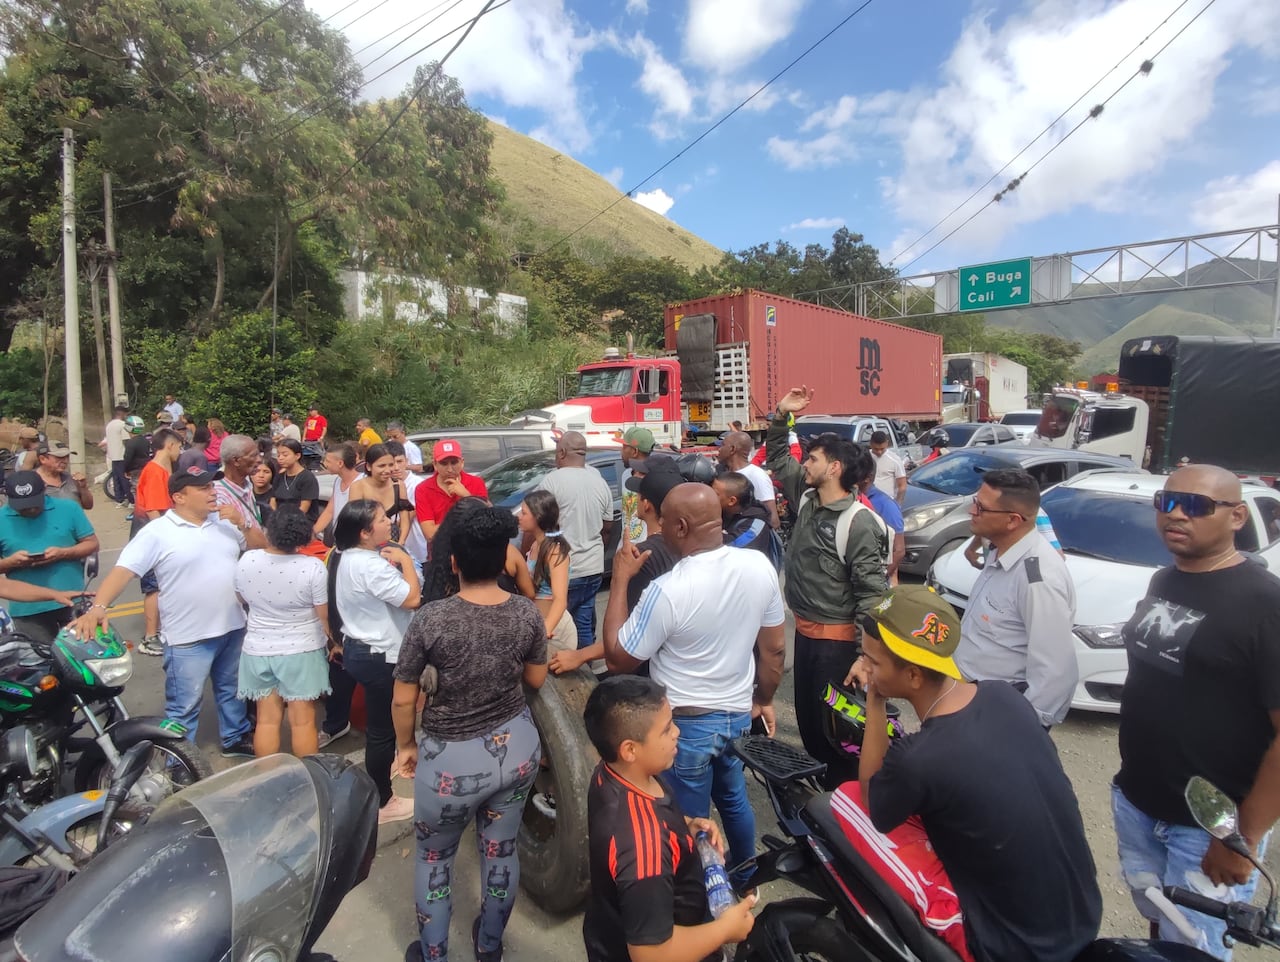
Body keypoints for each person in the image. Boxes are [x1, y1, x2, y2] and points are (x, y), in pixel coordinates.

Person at [843, 585, 1102, 962]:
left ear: (913, 675)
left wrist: (875, 698)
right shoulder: (1005, 696)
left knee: (845, 800)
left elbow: (872, 800)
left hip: (1013, 946)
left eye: (872, 662)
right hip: (1080, 915)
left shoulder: (918, 758)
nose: (865, 667)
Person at [1112, 465, 1280, 959]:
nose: (1177, 514)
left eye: (1197, 506)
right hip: (1138, 801)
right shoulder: (1165, 579)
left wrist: (1242, 837)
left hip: (1209, 826)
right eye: (1167, 502)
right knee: (1160, 925)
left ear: (1236, 517)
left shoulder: (1265, 604)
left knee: (1194, 949)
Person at [603, 482, 786, 876]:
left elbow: (617, 658)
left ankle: (702, 894)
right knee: (734, 799)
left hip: (685, 727)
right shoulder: (760, 568)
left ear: (681, 527)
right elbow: (774, 650)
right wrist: (764, 698)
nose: (658, 528)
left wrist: (620, 579)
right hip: (737, 714)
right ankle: (746, 876)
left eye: (664, 522)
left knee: (689, 817)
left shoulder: (668, 589)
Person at [392, 505, 548, 962]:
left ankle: (434, 953)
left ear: (454, 562)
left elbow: (403, 699)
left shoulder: (432, 619)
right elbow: (536, 679)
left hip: (450, 765)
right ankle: (490, 946)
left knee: (434, 859)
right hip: (516, 751)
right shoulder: (526, 613)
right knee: (501, 852)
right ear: (503, 562)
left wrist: (406, 745)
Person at [72, 467, 265, 757]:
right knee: (184, 704)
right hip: (188, 637)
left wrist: (243, 523)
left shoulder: (224, 522)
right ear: (179, 497)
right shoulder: (157, 532)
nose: (212, 492)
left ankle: (234, 739)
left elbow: (261, 547)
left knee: (233, 691)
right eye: (203, 488)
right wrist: (98, 607)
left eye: (212, 486)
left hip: (233, 627)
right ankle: (180, 759)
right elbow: (124, 570)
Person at [582, 676, 757, 962]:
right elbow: (651, 954)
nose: (677, 732)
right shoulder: (643, 847)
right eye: (666, 730)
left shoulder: (613, 772)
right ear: (630, 750)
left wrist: (685, 825)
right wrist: (725, 930)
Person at [767, 387, 888, 786]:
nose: (805, 464)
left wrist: (865, 657)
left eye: (813, 459)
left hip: (836, 648)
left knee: (838, 734)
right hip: (806, 637)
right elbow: (778, 457)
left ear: (834, 468)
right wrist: (781, 415)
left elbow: (872, 596)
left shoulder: (858, 522)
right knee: (811, 727)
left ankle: (845, 803)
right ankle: (825, 797)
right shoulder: (807, 499)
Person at [924, 468, 1076, 729]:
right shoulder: (1000, 549)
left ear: (1013, 521)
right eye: (975, 502)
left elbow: (1056, 672)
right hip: (967, 692)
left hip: (996, 710)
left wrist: (1020, 727)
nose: (972, 511)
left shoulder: (1038, 579)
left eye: (981, 508)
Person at [327, 499, 420, 823]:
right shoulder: (371, 565)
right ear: (365, 532)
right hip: (378, 653)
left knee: (383, 726)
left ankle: (389, 764)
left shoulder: (346, 556)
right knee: (381, 730)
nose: (389, 523)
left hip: (360, 647)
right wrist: (405, 561)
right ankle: (383, 801)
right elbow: (412, 599)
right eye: (381, 519)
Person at [558, 462, 683, 675]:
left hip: (645, 671)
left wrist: (580, 655)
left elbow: (627, 633)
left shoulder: (639, 557)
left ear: (646, 505)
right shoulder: (684, 547)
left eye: (639, 495)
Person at [235, 505, 330, 757]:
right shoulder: (312, 567)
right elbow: (323, 614)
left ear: (270, 530)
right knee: (303, 721)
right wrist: (335, 641)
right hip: (302, 651)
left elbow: (240, 597)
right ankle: (308, 774)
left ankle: (268, 774)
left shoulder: (248, 560)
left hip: (257, 650)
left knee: (266, 720)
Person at [535, 432, 613, 651]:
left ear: (561, 452)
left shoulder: (552, 481)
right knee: (584, 623)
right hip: (593, 569)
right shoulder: (600, 482)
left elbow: (537, 523)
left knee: (559, 627)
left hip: (565, 571)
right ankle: (584, 666)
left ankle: (565, 667)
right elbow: (607, 528)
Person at [0, 472, 99, 642]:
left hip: (73, 601)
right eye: (23, 506)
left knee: (86, 652)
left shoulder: (69, 509)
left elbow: (92, 544)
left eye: (34, 503)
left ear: (45, 489)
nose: (31, 509)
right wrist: (11, 562)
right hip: (28, 612)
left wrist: (63, 553)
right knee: (39, 658)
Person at [133, 427, 184, 656]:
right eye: (179, 446)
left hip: (158, 533)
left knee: (163, 585)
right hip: (153, 535)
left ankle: (161, 630)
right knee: (153, 587)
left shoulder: (162, 470)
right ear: (170, 445)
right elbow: (154, 511)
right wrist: (168, 538)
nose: (180, 451)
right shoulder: (154, 471)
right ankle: (150, 636)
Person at [518, 490, 577, 657]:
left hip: (554, 628)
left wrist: (545, 630)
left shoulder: (555, 551)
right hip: (538, 624)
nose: (519, 517)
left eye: (524, 513)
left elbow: (560, 599)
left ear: (538, 517)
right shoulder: (535, 545)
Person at [414, 439, 488, 541]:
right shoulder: (423, 489)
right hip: (441, 547)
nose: (449, 469)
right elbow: (430, 534)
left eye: (454, 463)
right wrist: (463, 519)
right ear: (435, 464)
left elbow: (487, 520)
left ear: (462, 462)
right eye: (444, 463)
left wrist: (467, 496)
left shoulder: (476, 482)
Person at [348, 443, 415, 548]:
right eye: (381, 466)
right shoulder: (358, 487)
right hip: (365, 544)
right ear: (369, 466)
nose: (387, 470)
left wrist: (400, 544)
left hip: (392, 541)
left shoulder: (399, 486)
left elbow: (405, 521)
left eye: (391, 465)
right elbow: (354, 521)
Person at [856, 452, 905, 585]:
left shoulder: (886, 505)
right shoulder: (852, 498)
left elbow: (899, 550)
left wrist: (879, 578)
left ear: (867, 478)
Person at [717, 431, 778, 529]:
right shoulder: (721, 472)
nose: (719, 449)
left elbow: (773, 521)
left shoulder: (757, 476)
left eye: (723, 445)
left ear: (732, 449)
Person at [713, 471, 775, 561]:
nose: (709, 496)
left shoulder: (755, 525)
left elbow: (729, 546)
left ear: (732, 501)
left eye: (715, 494)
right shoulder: (724, 511)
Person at [312, 442, 362, 543]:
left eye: (328, 461)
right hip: (340, 539)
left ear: (340, 463)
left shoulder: (362, 482)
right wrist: (313, 533)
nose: (324, 464)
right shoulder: (338, 480)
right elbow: (329, 511)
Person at [620, 426, 657, 543]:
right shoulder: (626, 474)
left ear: (634, 452)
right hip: (626, 545)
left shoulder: (654, 479)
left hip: (645, 547)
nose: (621, 451)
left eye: (624, 447)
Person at [270, 438, 320, 523]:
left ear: (297, 456)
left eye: (285, 455)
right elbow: (273, 501)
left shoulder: (307, 478)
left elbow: (304, 508)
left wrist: (288, 522)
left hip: (301, 523)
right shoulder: (279, 477)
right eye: (278, 455)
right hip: (279, 522)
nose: (280, 458)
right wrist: (276, 517)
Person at [33, 443, 93, 510]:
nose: (65, 461)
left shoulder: (71, 478)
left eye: (67, 457)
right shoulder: (31, 482)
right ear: (43, 459)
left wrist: (83, 488)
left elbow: (88, 506)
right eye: (60, 457)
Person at [99, 404, 132, 506]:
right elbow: (126, 441)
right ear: (122, 414)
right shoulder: (122, 425)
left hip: (112, 456)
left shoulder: (109, 425)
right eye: (126, 414)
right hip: (122, 455)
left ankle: (119, 500)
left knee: (116, 479)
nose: (126, 416)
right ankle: (131, 500)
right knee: (125, 479)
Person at [868, 430, 907, 505]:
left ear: (887, 443)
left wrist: (898, 504)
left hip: (887, 502)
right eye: (876, 449)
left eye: (882, 449)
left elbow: (902, 485)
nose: (879, 452)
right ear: (871, 444)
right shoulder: (865, 457)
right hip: (868, 501)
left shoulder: (895, 460)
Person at [251, 457, 278, 524]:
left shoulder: (278, 495)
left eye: (266, 472)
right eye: (257, 471)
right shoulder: (245, 494)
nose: (261, 475)